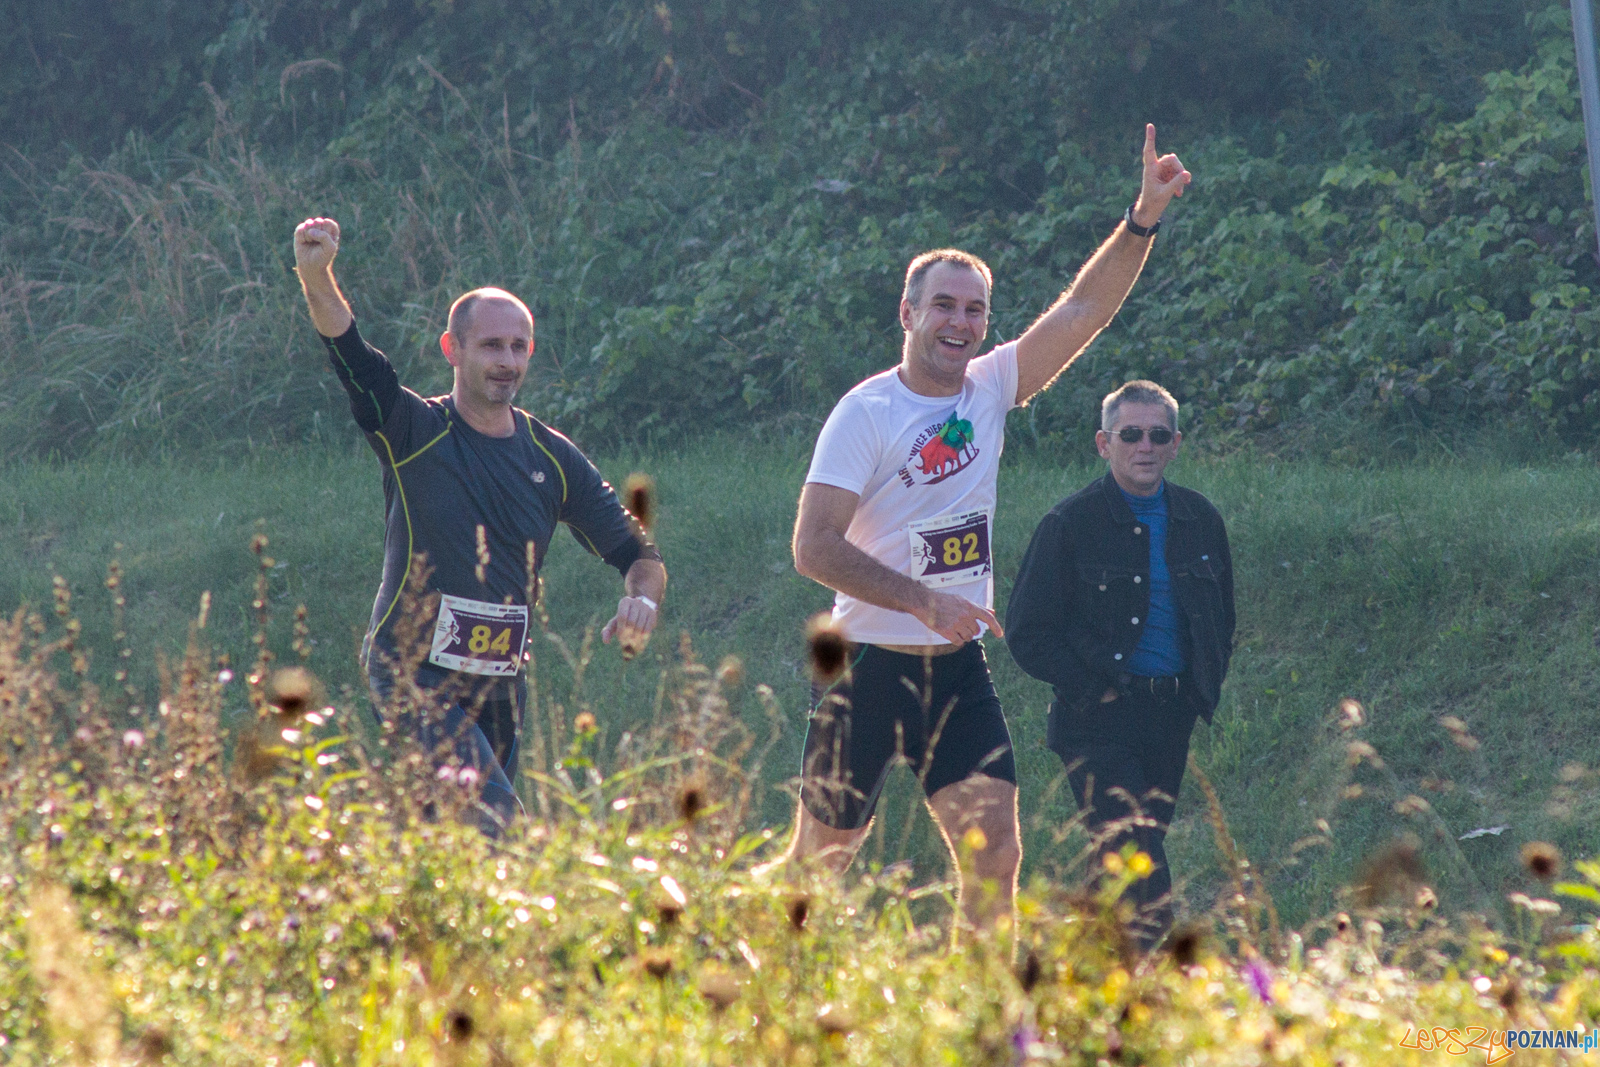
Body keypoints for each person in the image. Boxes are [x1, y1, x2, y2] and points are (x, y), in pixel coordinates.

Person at [765, 126, 1192, 936]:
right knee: (817, 864)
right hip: (867, 671)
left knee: (996, 853)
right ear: (909, 313)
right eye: (944, 308)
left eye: (975, 310)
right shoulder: (866, 412)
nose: (960, 324)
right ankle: (731, 957)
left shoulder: (991, 387)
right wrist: (924, 600)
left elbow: (1085, 308)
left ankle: (983, 1016)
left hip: (958, 672)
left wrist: (1142, 220)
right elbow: (812, 547)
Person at [291, 216, 666, 834]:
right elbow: (351, 354)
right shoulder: (411, 430)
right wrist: (317, 273)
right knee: (495, 827)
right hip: (412, 671)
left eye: (518, 347)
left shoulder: (552, 457)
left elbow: (639, 554)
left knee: (448, 846)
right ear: (453, 350)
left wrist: (640, 601)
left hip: (500, 685)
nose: (507, 361)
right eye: (491, 346)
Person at [1004, 380, 1235, 948]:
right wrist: (1093, 687)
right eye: (1130, 434)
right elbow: (1028, 632)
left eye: (1158, 435)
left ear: (1176, 443)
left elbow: (1220, 620)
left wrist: (1198, 690)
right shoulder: (1069, 524)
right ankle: (1154, 976)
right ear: (1104, 444)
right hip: (1095, 721)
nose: (1145, 447)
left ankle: (1087, 972)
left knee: (1121, 856)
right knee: (1137, 857)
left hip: (1169, 717)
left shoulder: (1199, 520)